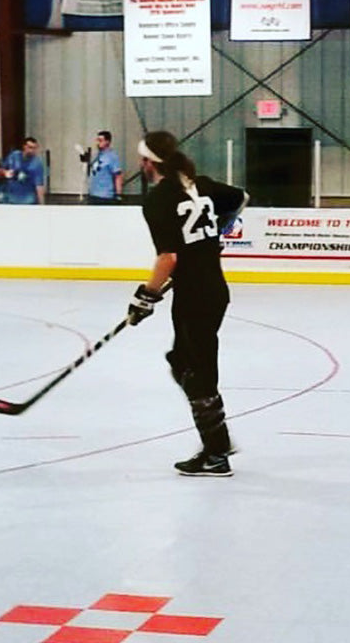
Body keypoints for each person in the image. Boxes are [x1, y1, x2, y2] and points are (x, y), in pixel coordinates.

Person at [128, 131, 249, 477]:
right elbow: (242, 196)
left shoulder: (158, 199)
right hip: (211, 289)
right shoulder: (203, 185)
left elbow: (168, 257)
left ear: (150, 163)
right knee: (181, 361)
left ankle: (217, 451)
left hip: (195, 295)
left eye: (143, 160)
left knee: (196, 371)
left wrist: (145, 296)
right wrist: (218, 229)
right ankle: (216, 443)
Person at [0, 137, 45, 204]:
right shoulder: (14, 156)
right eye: (30, 147)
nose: (32, 151)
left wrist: (42, 204)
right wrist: (5, 173)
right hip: (9, 195)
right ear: (24, 147)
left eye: (34, 148)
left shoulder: (37, 164)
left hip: (26, 198)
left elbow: (39, 185)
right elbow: (0, 171)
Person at [84, 130, 123, 204]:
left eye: (100, 140)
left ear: (107, 142)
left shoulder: (112, 156)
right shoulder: (99, 155)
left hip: (105, 196)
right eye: (97, 140)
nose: (98, 143)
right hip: (93, 194)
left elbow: (118, 176)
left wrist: (118, 195)